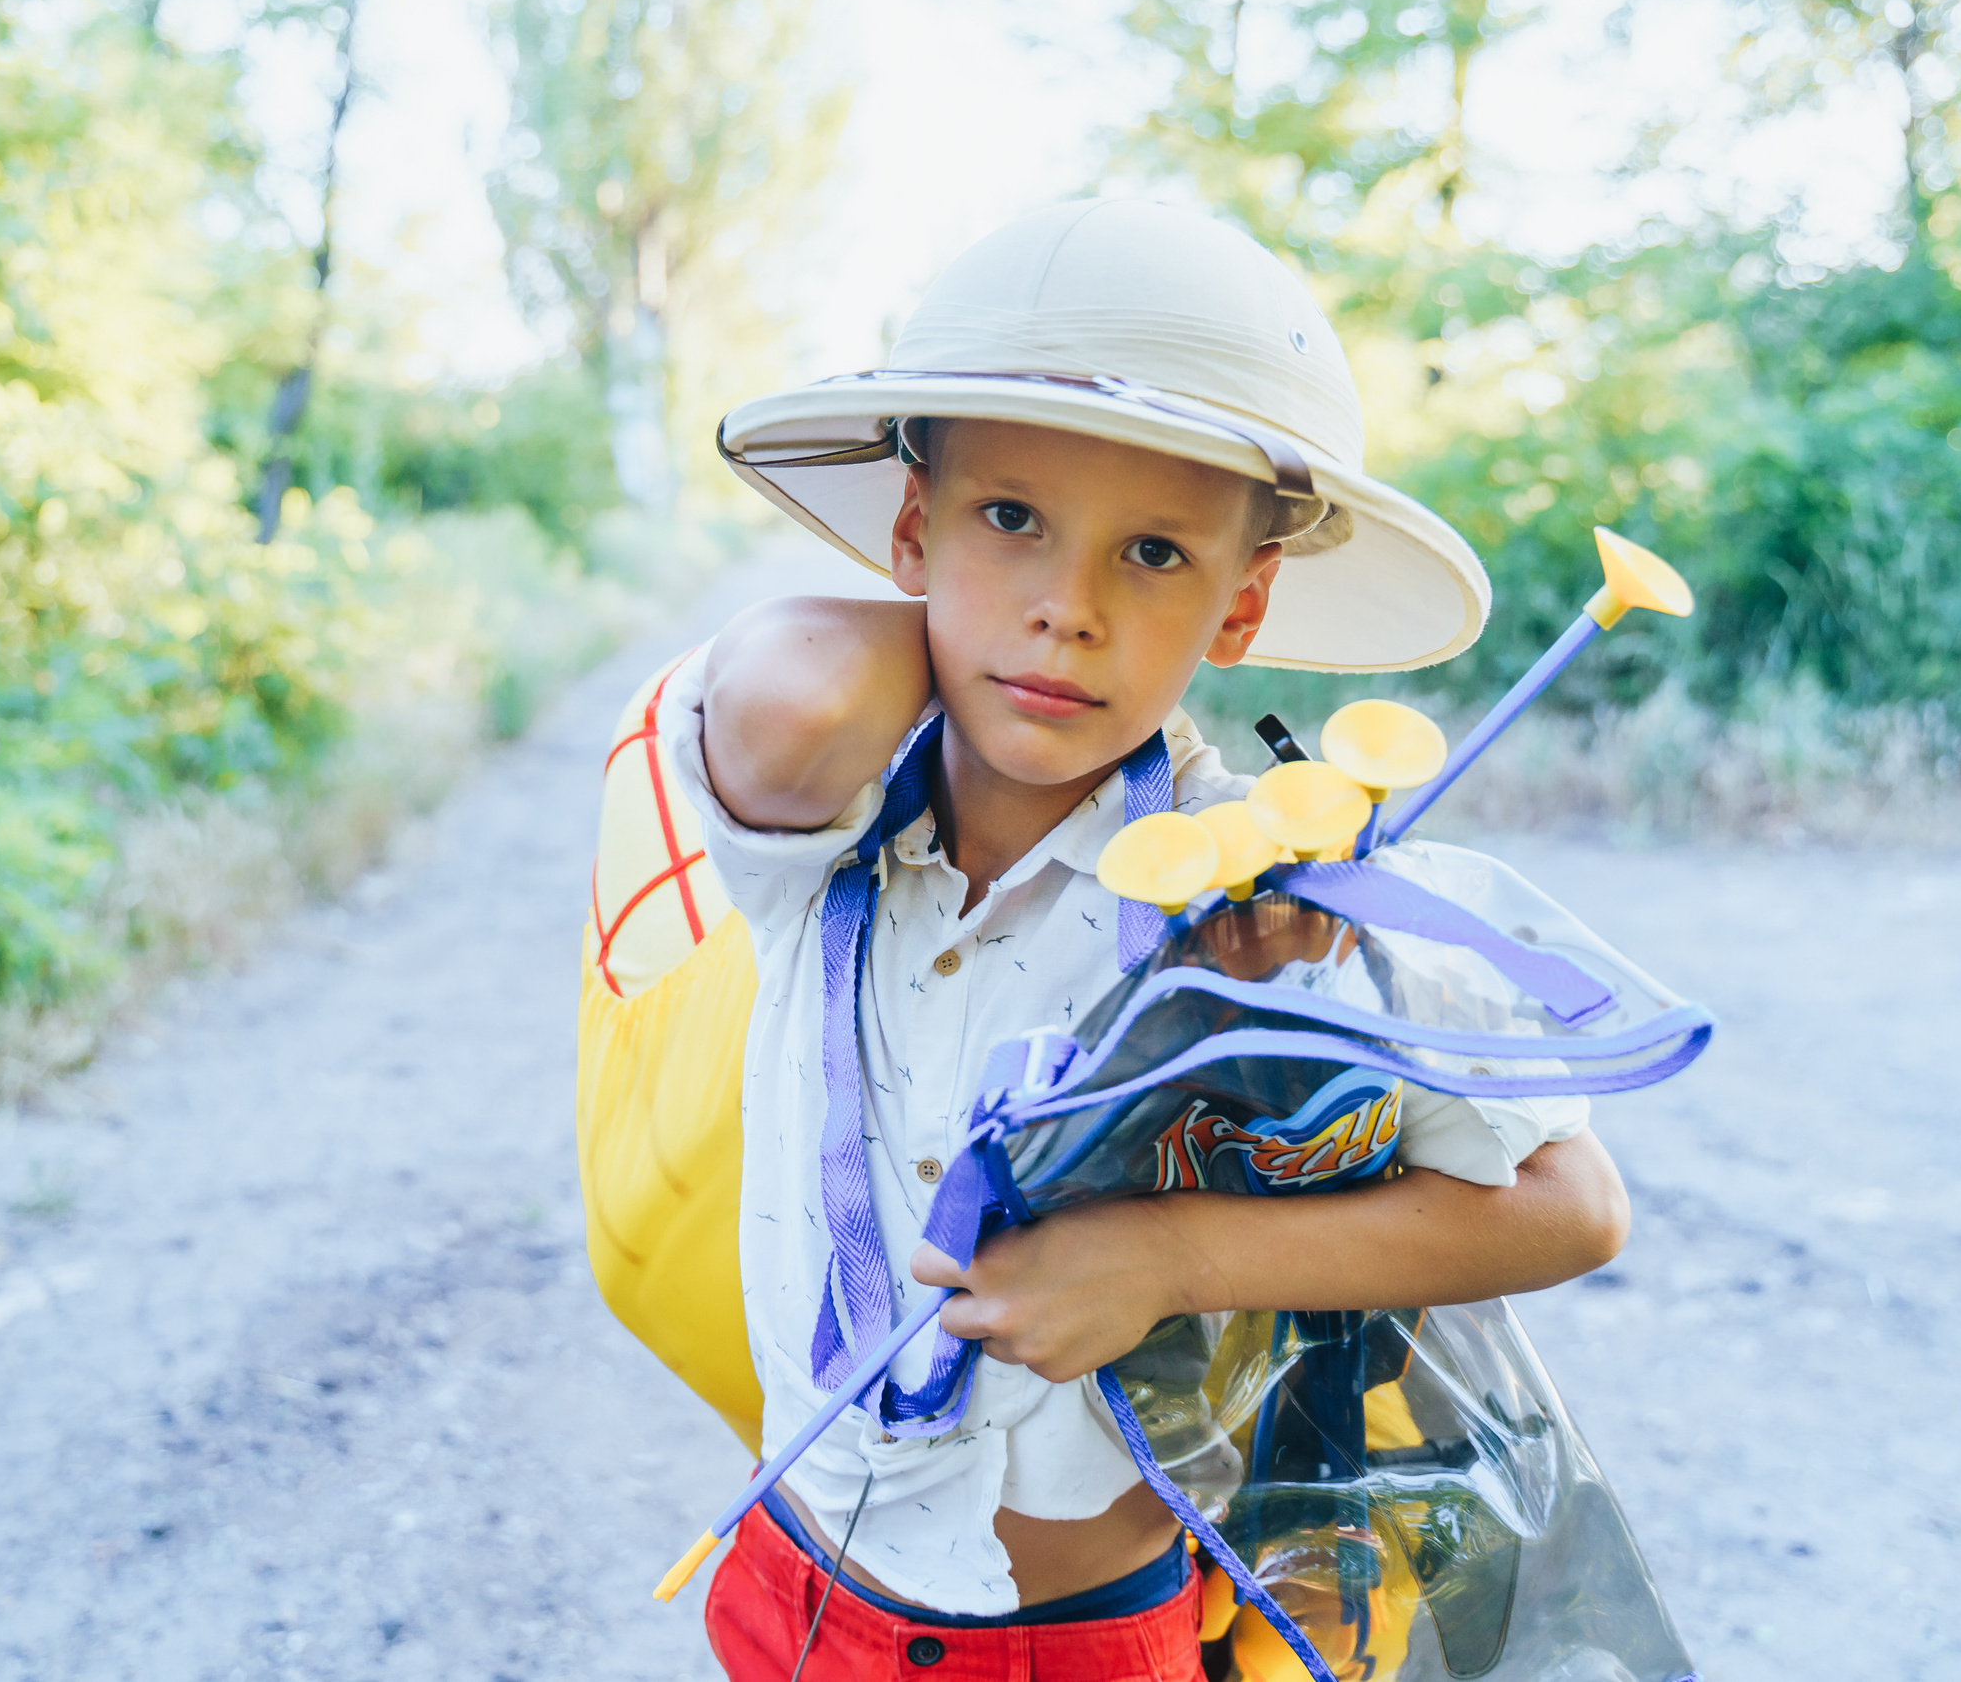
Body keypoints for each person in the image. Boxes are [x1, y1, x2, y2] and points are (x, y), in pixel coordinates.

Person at [659, 200, 1633, 1680]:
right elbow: (789, 690)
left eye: (1159, 553)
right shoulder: (827, 830)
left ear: (1244, 606)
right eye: (1010, 520)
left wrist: (1171, 1255)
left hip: (1079, 1636)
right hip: (799, 1585)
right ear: (910, 531)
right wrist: (930, 622)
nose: (1068, 612)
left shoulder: (1279, 894)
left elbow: (1573, 1206)